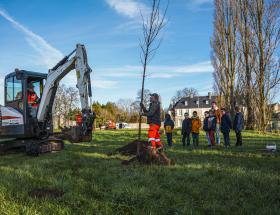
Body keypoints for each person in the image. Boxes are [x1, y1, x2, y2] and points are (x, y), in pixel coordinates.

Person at [141, 93, 171, 165]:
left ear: (155, 98)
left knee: (151, 136)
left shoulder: (155, 104)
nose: (150, 98)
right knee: (156, 137)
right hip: (155, 123)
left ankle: (153, 150)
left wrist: (142, 114)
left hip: (154, 123)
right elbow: (148, 112)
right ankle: (160, 147)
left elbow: (150, 113)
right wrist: (143, 107)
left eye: (151, 97)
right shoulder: (152, 104)